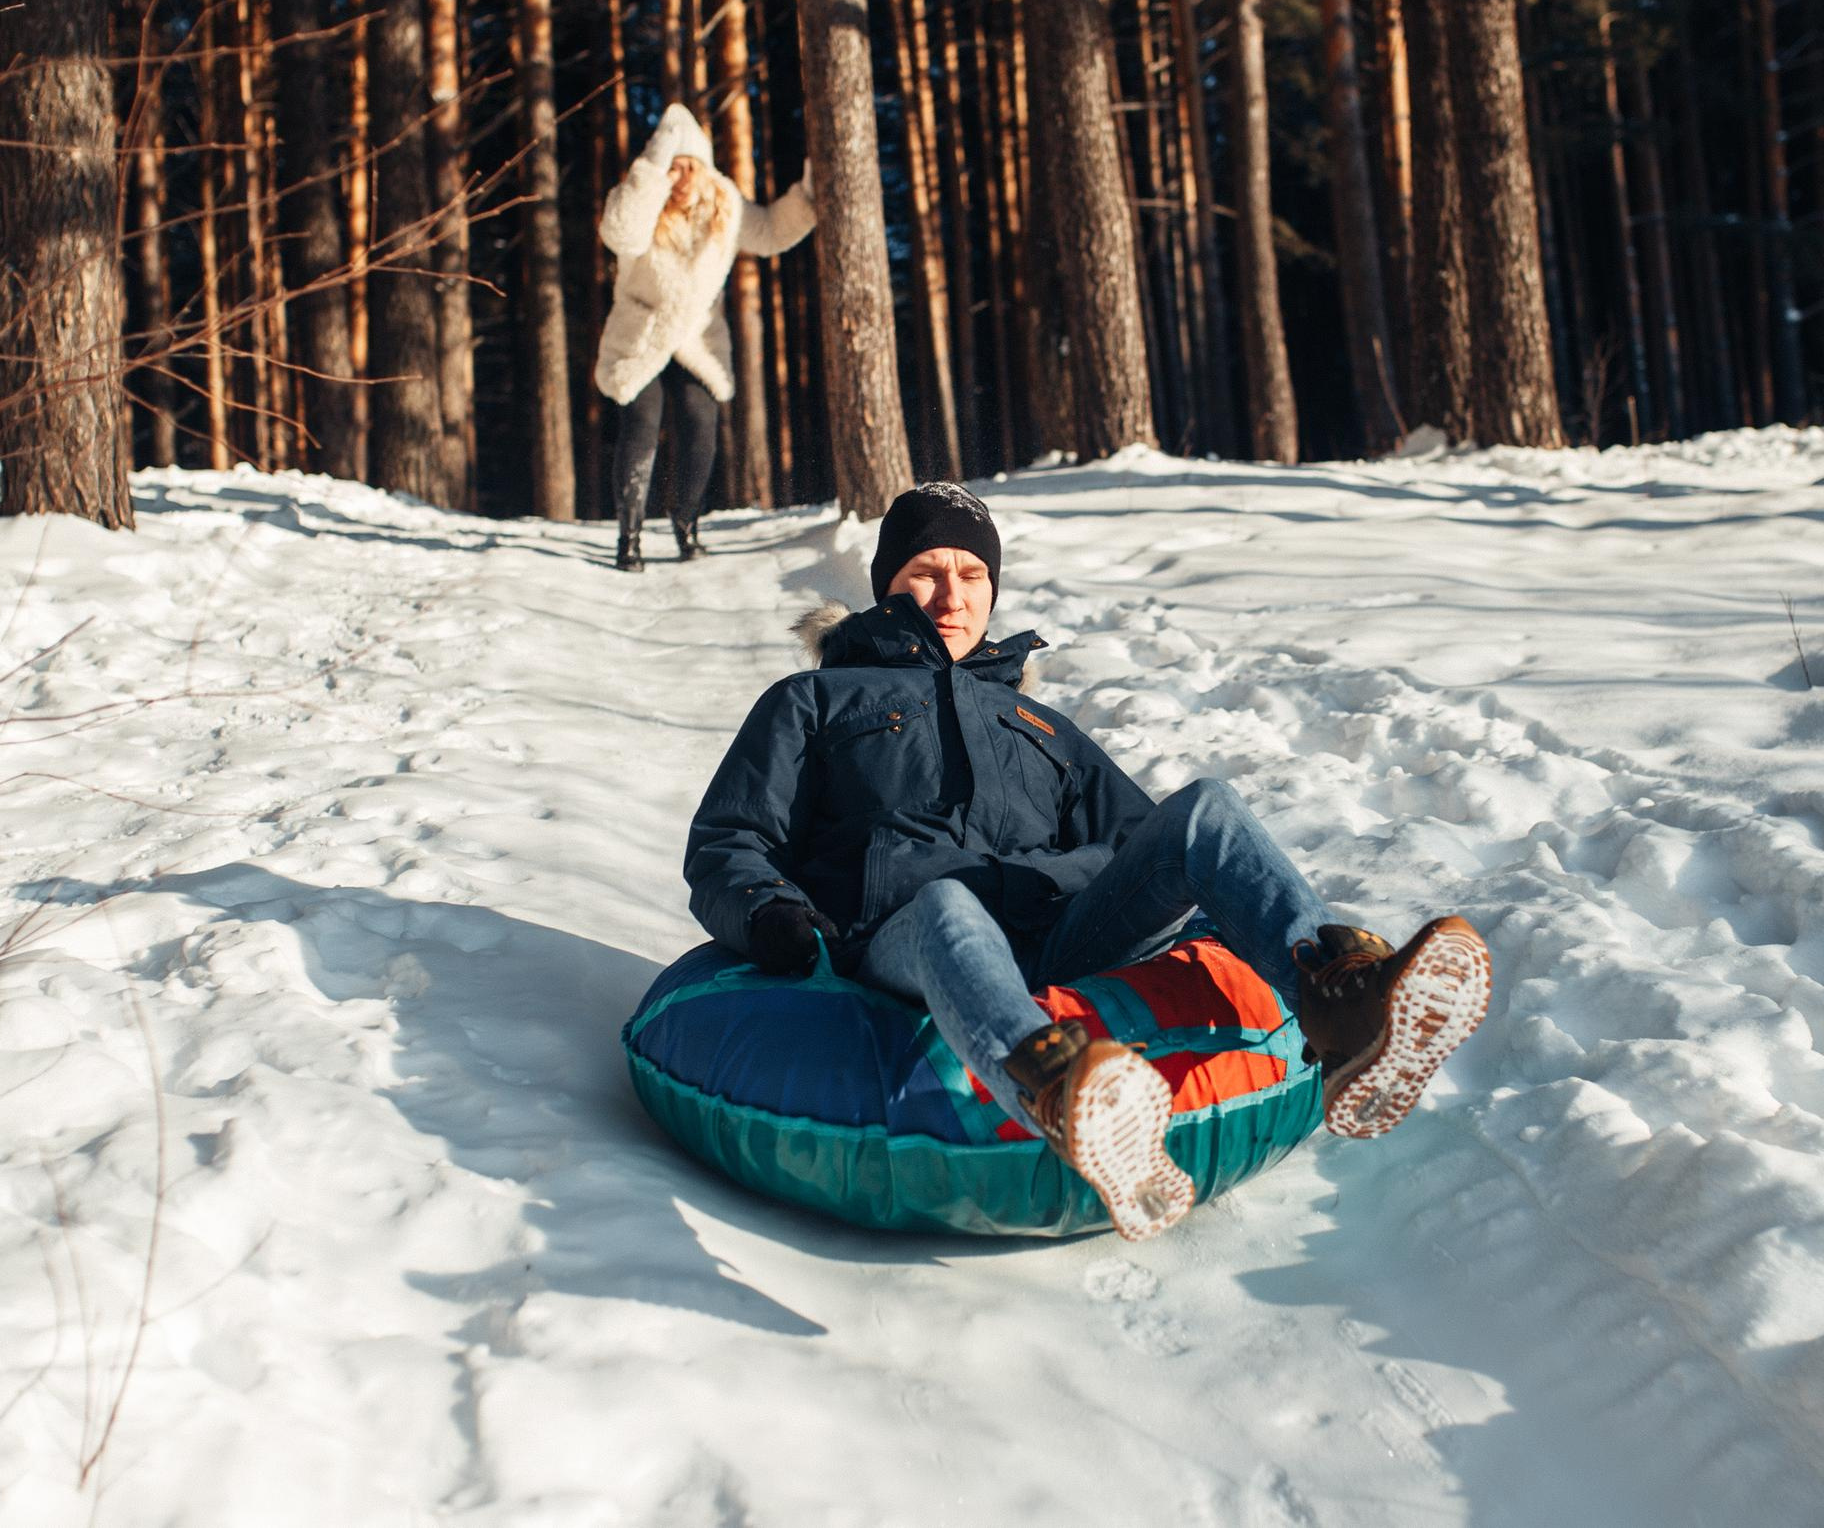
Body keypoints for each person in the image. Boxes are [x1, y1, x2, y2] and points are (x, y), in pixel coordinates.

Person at [685, 483, 1494, 1242]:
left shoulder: (1039, 722)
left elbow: (1143, 841)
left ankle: (1343, 1009)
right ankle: (1063, 1092)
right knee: (946, 904)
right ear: (884, 585)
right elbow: (730, 839)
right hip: (909, 935)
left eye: (972, 574)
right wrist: (772, 917)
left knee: (1205, 807)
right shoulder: (816, 701)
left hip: (1056, 929)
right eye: (926, 571)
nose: (952, 594)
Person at [597, 103, 815, 571]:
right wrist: (651, 169)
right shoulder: (642, 203)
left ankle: (686, 522)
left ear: (703, 167)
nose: (680, 177)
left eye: (687, 166)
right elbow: (619, 234)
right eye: (671, 167)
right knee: (641, 422)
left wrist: (810, 193)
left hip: (697, 338)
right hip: (642, 333)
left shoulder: (725, 202)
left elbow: (773, 231)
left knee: (701, 426)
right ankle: (629, 537)